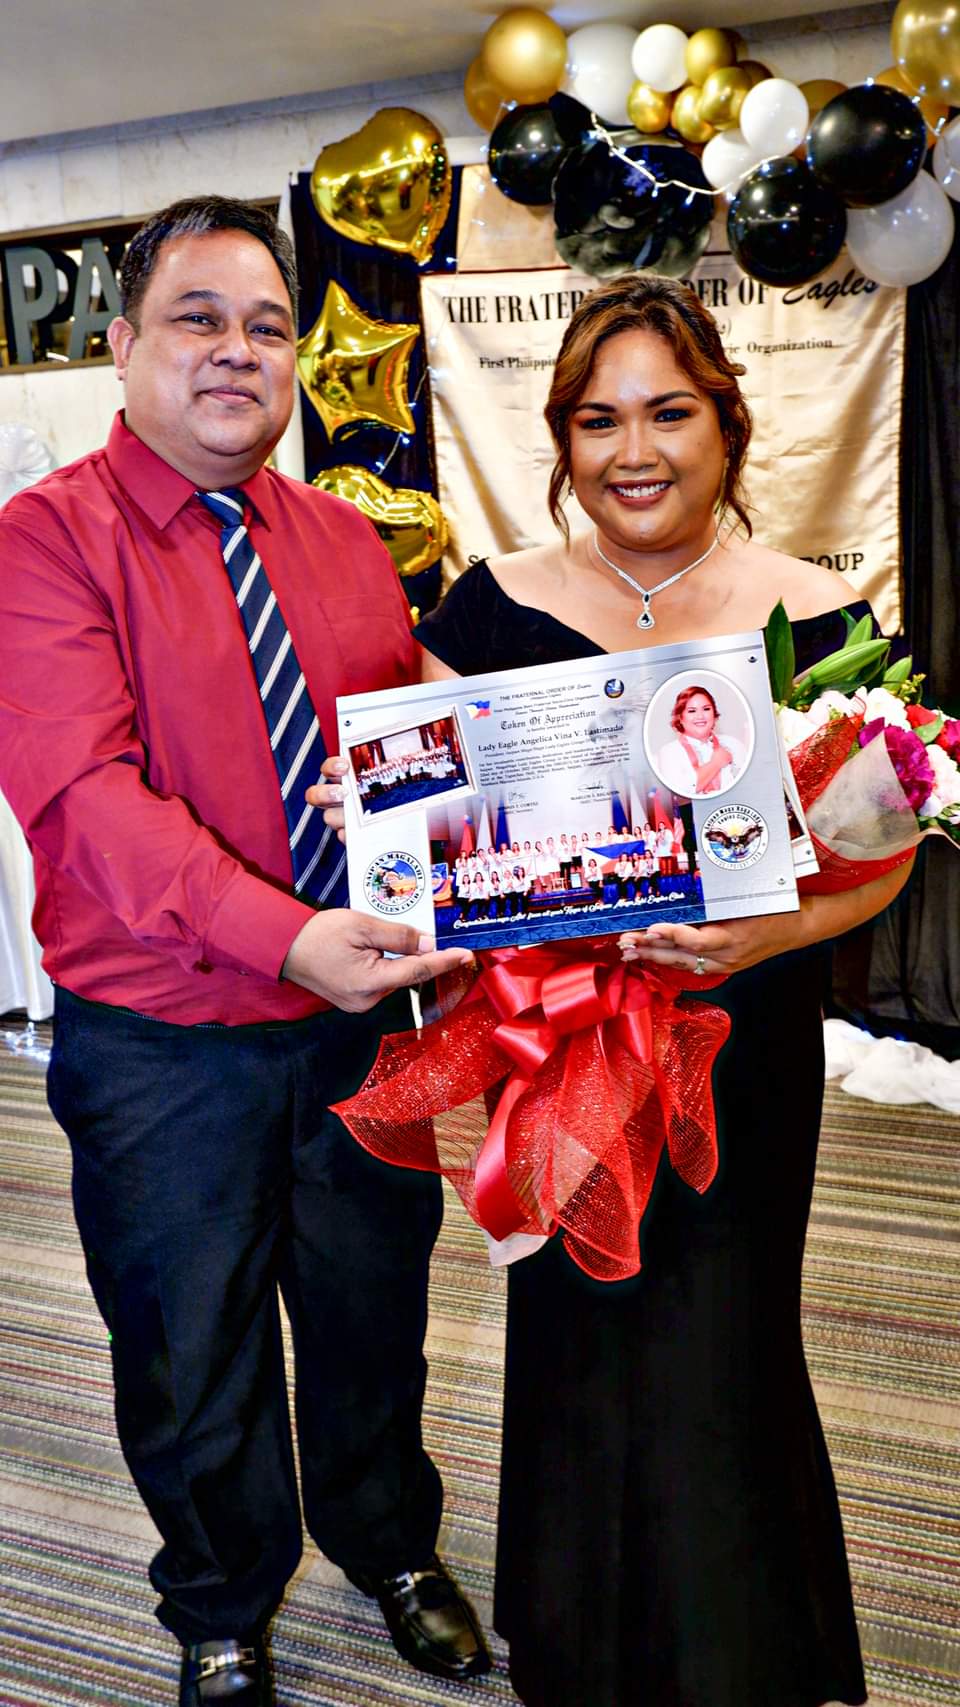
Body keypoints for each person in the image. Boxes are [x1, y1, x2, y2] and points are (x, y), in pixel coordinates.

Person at [316, 273, 913, 1707]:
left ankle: (737, 1650)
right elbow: (422, 836)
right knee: (581, 1318)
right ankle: (584, 1647)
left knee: (727, 1323)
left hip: (741, 1034)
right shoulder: (489, 603)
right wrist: (397, 846)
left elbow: (888, 855)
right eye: (597, 420)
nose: (632, 448)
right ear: (562, 440)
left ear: (727, 423)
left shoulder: (823, 612)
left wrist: (761, 941)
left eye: (667, 412)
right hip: (557, 1041)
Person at [0, 196, 489, 1707]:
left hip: (364, 1024)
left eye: (268, 324)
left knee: (371, 1310)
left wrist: (449, 844)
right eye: (199, 318)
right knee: (188, 1344)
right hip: (161, 1049)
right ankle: (220, 1597)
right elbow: (82, 799)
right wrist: (287, 939)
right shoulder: (40, 541)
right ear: (125, 347)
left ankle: (390, 1543)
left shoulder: (347, 540)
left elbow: (413, 766)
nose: (239, 351)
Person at [655, 683, 746, 796]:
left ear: (714, 714)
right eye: (692, 711)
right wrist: (716, 763)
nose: (700, 716)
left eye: (706, 709)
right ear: (680, 718)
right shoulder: (669, 752)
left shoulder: (733, 744)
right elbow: (681, 793)